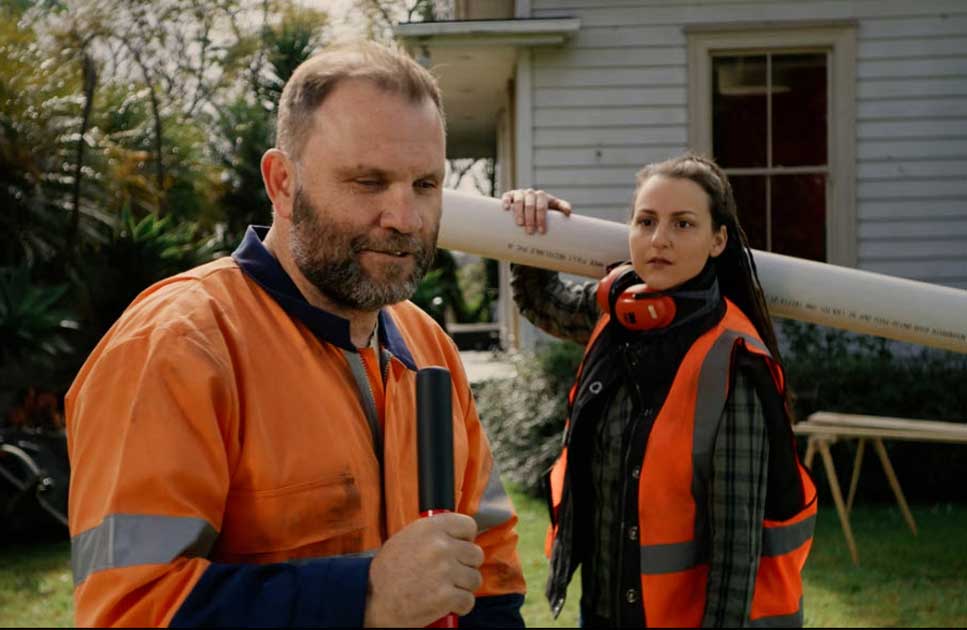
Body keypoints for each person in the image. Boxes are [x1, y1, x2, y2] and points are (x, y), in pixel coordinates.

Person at [65, 41, 525, 628]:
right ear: (282, 182)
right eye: (368, 182)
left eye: (426, 186)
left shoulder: (427, 343)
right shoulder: (177, 347)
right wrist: (363, 595)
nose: (404, 218)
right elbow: (128, 610)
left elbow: (488, 567)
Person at [502, 153, 817, 628]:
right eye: (645, 221)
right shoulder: (620, 311)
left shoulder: (734, 362)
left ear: (718, 241)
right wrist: (532, 220)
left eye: (683, 224)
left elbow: (736, 556)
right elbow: (545, 302)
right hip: (604, 610)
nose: (659, 240)